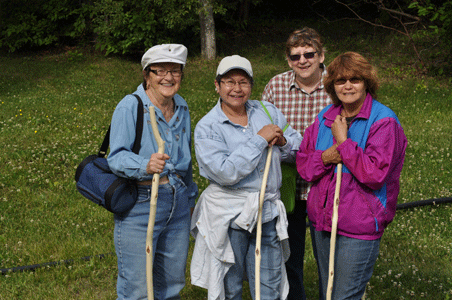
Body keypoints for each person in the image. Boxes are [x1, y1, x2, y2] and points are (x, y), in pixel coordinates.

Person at [296, 51, 407, 299]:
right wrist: (327, 157)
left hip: (359, 225)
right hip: (322, 223)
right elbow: (304, 167)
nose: (347, 86)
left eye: (355, 79)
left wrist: (344, 144)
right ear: (332, 86)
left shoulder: (384, 121)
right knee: (328, 292)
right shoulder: (324, 118)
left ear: (367, 82)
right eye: (340, 80)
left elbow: (374, 174)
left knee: (344, 296)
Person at [190, 55, 302, 300]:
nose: (237, 89)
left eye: (243, 82)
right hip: (230, 216)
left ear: (251, 85)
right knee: (231, 285)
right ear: (217, 86)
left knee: (269, 285)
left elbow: (299, 147)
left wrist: (283, 142)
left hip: (267, 212)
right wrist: (259, 140)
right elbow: (225, 172)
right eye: (229, 82)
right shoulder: (208, 127)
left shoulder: (266, 110)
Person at [107, 44, 198, 300]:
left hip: (177, 204)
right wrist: (145, 165)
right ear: (147, 74)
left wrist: (189, 199)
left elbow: (186, 160)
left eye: (175, 71)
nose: (168, 77)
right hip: (141, 203)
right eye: (160, 71)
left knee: (171, 285)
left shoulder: (181, 107)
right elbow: (116, 157)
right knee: (136, 288)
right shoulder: (131, 106)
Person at [261, 27, 331, 300]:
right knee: (289, 256)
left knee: (329, 256)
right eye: (295, 56)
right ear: (288, 60)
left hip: (326, 183)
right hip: (288, 184)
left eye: (308, 54)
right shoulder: (276, 86)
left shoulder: (337, 85)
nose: (302, 60)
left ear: (321, 55)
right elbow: (262, 126)